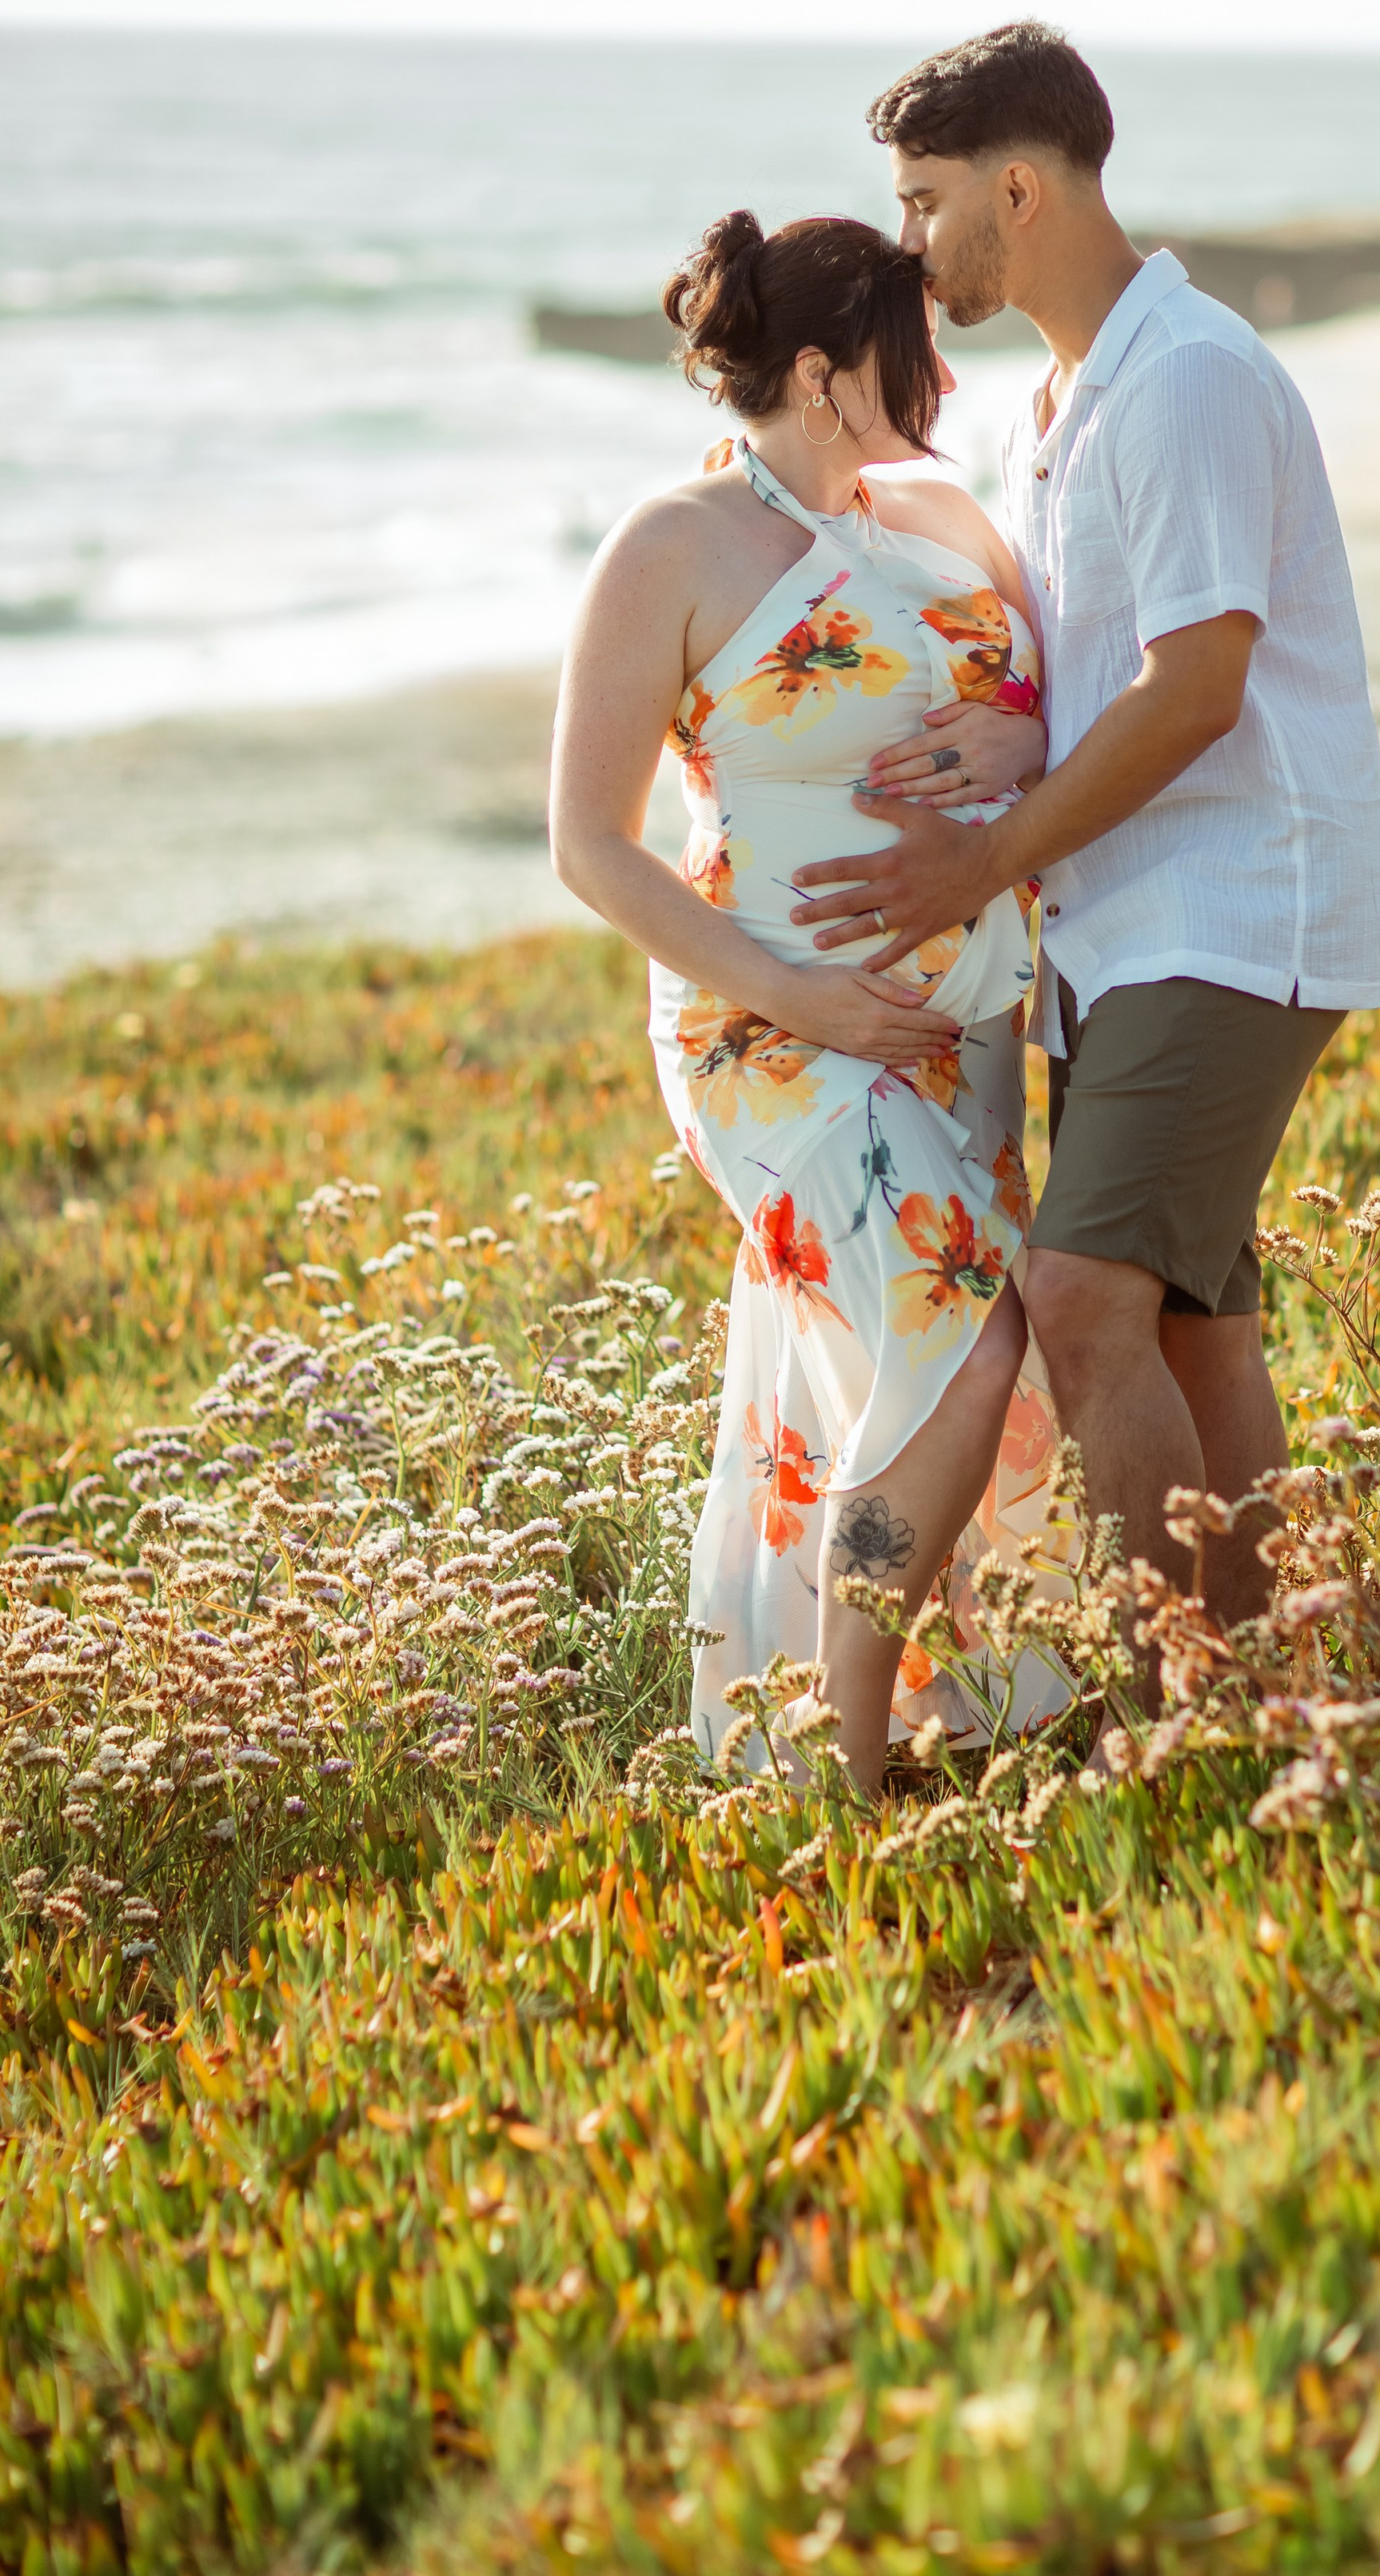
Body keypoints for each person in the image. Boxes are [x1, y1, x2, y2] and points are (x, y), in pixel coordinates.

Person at [791, 23, 1380, 1636]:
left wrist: (979, 859)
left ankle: (1183, 1699)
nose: (909, 243)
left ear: (1019, 188)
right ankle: (1269, 1681)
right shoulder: (1051, 408)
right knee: (1192, 1330)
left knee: (1076, 1303)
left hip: (1230, 910)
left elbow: (1197, 686)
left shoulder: (1185, 379)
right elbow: (1095, 672)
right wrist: (1003, 740)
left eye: (925, 201)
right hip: (1127, 928)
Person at [548, 210, 1068, 1794]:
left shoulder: (939, 512)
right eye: (920, 354)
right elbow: (589, 846)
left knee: (920, 1364)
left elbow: (1047, 709)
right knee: (963, 1344)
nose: (948, 383)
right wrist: (800, 996)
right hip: (771, 1034)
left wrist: (1022, 740)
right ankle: (846, 1765)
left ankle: (923, 1715)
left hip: (960, 1039)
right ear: (828, 373)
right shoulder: (671, 547)